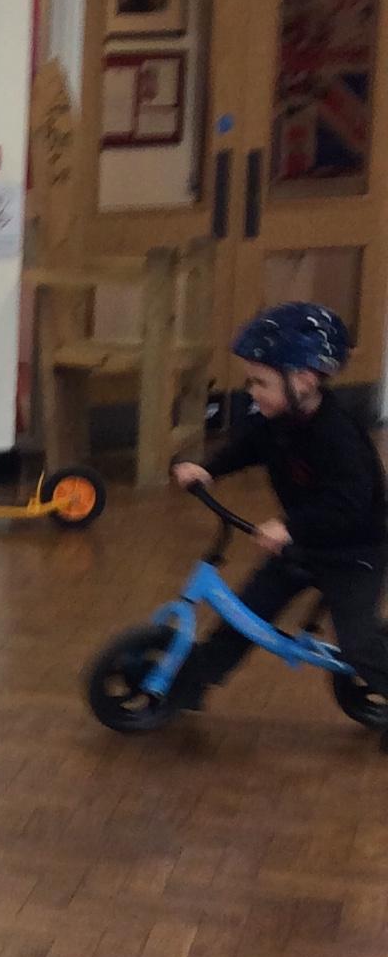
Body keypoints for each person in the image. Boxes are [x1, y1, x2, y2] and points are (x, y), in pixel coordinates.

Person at [168, 301, 388, 719]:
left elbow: (348, 504)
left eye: (261, 382)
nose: (252, 391)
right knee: (243, 616)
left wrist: (290, 527)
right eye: (250, 381)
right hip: (303, 547)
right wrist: (208, 469)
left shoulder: (338, 436)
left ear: (304, 379)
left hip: (354, 554)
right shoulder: (277, 418)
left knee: (359, 643)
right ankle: (184, 687)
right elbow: (249, 446)